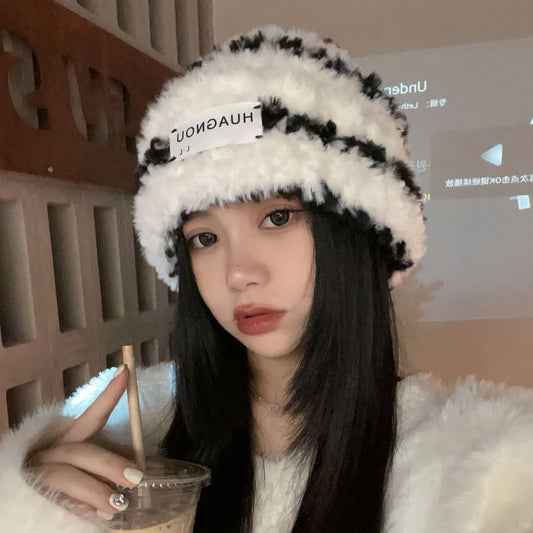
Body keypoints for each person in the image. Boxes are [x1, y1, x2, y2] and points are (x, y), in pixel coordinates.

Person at [1, 24, 533, 533]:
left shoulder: (480, 471)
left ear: (353, 231)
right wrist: (34, 509)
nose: (237, 273)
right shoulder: (128, 424)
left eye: (277, 217)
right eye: (203, 238)